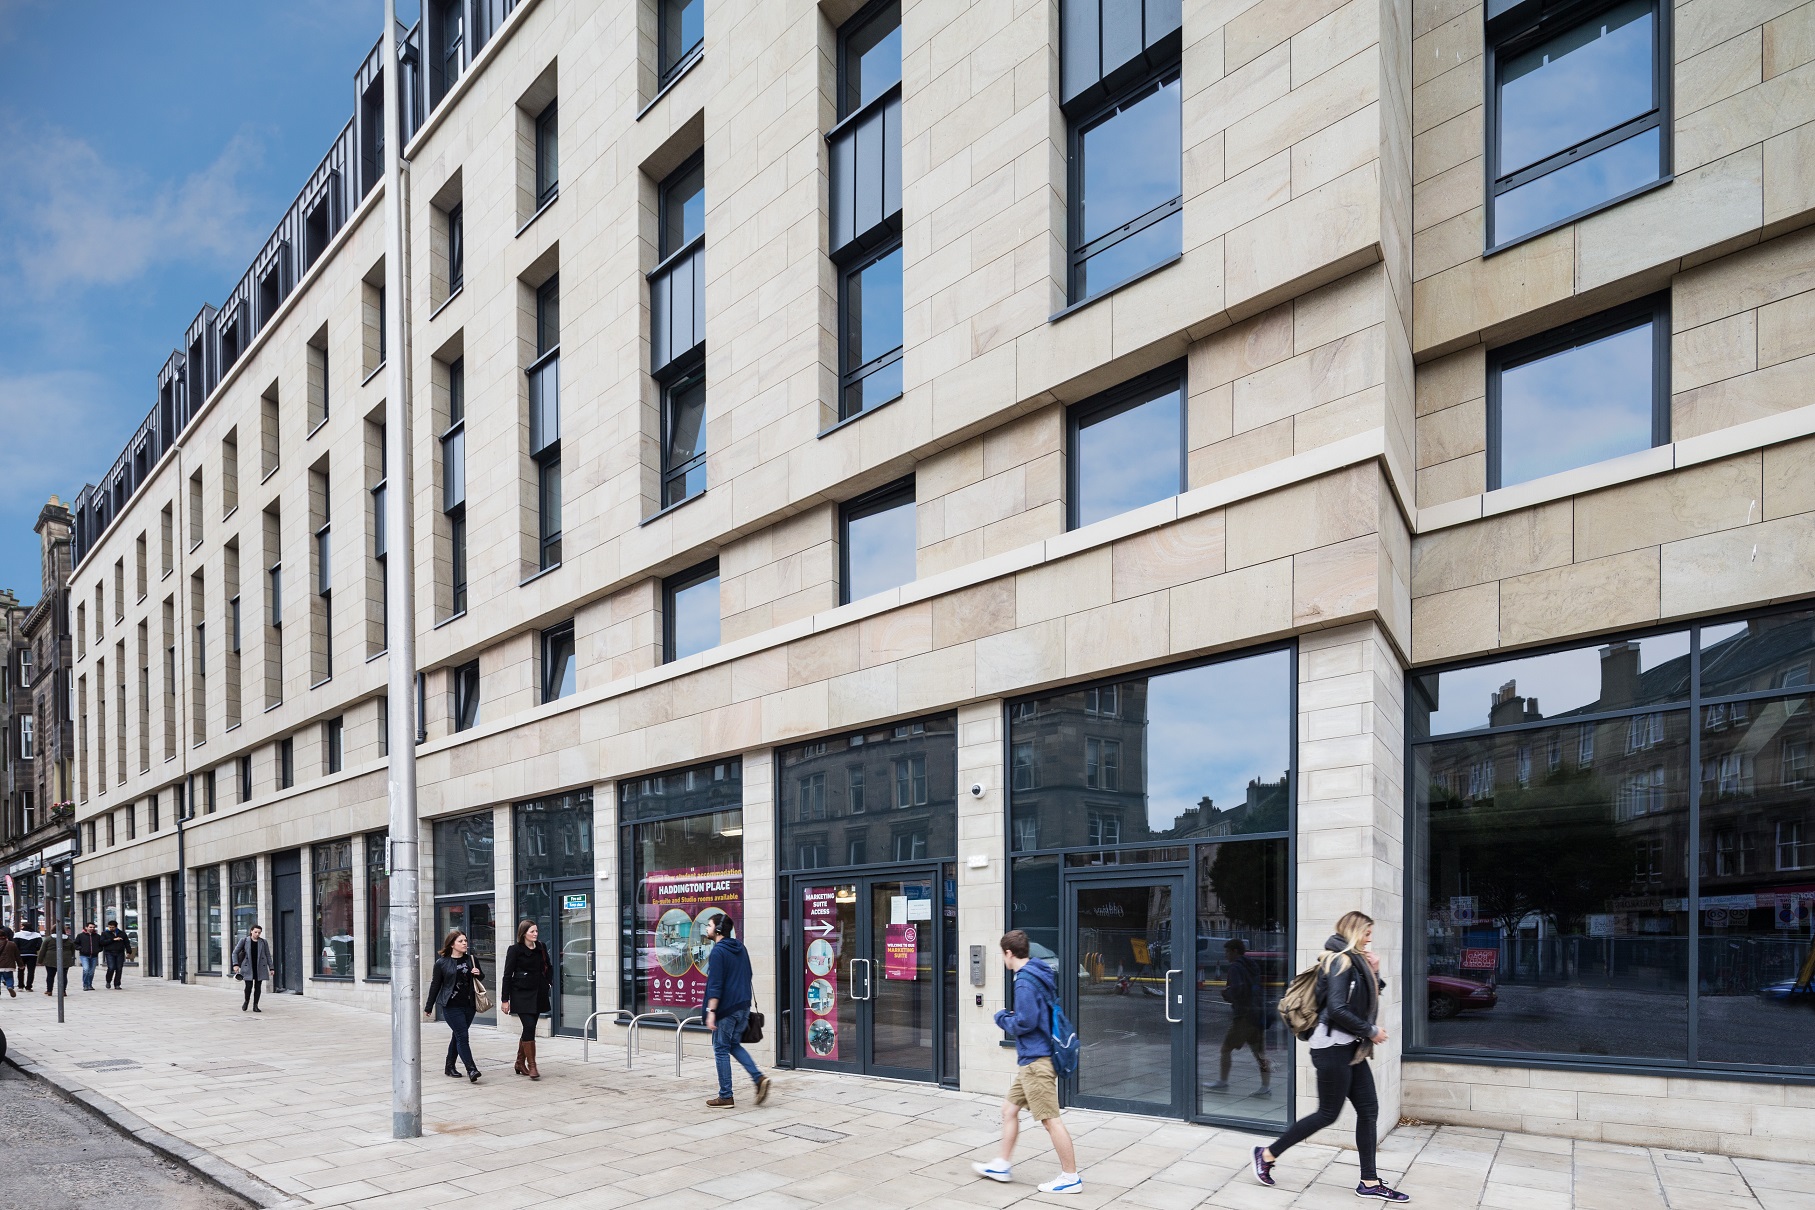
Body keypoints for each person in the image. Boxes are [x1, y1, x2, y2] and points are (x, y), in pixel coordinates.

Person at [1253, 912, 1409, 1203]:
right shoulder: (1339, 960)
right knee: (1328, 1114)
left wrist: (1375, 971)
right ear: (1353, 932)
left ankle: (1369, 1182)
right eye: (1366, 933)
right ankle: (1266, 1154)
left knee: (1369, 1109)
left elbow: (1364, 996)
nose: (1370, 938)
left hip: (1349, 1047)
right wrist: (1371, 1030)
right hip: (1332, 1048)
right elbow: (1337, 1009)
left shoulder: (1355, 961)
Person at [972, 930, 1082, 1196]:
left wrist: (1002, 1018)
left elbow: (1025, 1022)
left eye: (1003, 954)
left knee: (1050, 1120)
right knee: (1009, 1110)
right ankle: (1001, 1164)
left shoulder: (1023, 981)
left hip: (1037, 1061)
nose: (1003, 959)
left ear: (1009, 953)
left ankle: (1071, 1177)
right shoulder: (1038, 970)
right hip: (1035, 1058)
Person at [701, 914, 771, 1109]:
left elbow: (715, 985)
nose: (707, 929)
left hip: (725, 1009)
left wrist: (711, 1011)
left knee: (720, 1049)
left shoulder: (718, 952)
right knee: (732, 1045)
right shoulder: (740, 948)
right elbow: (748, 974)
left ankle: (725, 1096)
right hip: (743, 1006)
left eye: (709, 925)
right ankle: (758, 1078)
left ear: (718, 930)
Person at [1208, 939, 1272, 1097]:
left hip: (1243, 1016)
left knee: (1225, 1049)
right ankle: (1265, 1086)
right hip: (1257, 1013)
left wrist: (1226, 994)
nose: (1226, 955)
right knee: (1259, 1053)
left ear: (1235, 951)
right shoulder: (1251, 964)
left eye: (1228, 951)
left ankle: (1222, 1082)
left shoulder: (1236, 967)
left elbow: (1238, 990)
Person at [424, 930, 485, 1083]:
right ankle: (471, 1069)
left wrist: (477, 973)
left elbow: (481, 977)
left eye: (465, 941)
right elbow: (435, 985)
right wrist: (429, 1006)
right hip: (451, 1006)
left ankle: (449, 1066)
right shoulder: (441, 963)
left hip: (469, 1005)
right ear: (452, 944)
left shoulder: (471, 959)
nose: (465, 943)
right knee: (463, 1036)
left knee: (458, 1035)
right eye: (461, 941)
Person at [500, 920, 553, 1080]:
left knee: (529, 1028)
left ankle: (519, 1062)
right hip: (521, 993)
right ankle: (532, 1066)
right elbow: (507, 975)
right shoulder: (515, 950)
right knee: (529, 1026)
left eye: (536, 931)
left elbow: (548, 966)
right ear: (523, 933)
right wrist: (505, 999)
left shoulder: (541, 947)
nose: (536, 934)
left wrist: (549, 982)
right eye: (532, 932)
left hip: (539, 993)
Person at [231, 924, 272, 1012]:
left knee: (258, 987)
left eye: (259, 932)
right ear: (251, 931)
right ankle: (246, 1001)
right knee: (248, 986)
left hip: (260, 967)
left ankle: (255, 1005)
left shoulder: (263, 942)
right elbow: (234, 953)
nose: (257, 934)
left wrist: (271, 968)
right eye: (255, 932)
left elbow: (268, 955)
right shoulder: (244, 940)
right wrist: (235, 964)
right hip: (248, 967)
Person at [40, 923, 76, 997]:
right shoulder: (68, 940)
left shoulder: (48, 939)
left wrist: (40, 960)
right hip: (65, 959)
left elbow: (42, 950)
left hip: (50, 959)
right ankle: (63, 991)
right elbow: (72, 950)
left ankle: (49, 990)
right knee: (64, 975)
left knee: (50, 975)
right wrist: (70, 957)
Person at [100, 920, 129, 990]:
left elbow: (127, 943)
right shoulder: (105, 933)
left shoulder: (122, 933)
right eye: (110, 927)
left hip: (120, 952)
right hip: (110, 952)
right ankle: (108, 981)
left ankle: (117, 984)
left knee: (119, 968)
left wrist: (129, 951)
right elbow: (102, 942)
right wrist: (113, 939)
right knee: (111, 967)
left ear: (116, 927)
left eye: (112, 927)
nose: (111, 928)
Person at [13, 919, 41, 991]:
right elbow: (39, 945)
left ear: (23, 927)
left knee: (21, 970)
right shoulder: (37, 935)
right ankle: (29, 986)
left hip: (21, 955)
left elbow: (15, 945)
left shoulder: (17, 934)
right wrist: (35, 949)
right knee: (31, 971)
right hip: (32, 954)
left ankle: (20, 986)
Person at [74, 922, 102, 991]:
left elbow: (101, 945)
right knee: (86, 969)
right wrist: (81, 949)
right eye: (90, 927)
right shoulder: (80, 936)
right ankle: (85, 985)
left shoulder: (97, 936)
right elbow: (75, 944)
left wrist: (98, 950)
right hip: (84, 955)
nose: (92, 928)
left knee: (91, 971)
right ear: (86, 927)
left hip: (94, 956)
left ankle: (90, 984)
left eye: (93, 927)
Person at [0, 926, 18, 997]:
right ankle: (10, 986)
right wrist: (20, 964)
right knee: (9, 977)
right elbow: (17, 956)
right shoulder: (12, 944)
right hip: (9, 965)